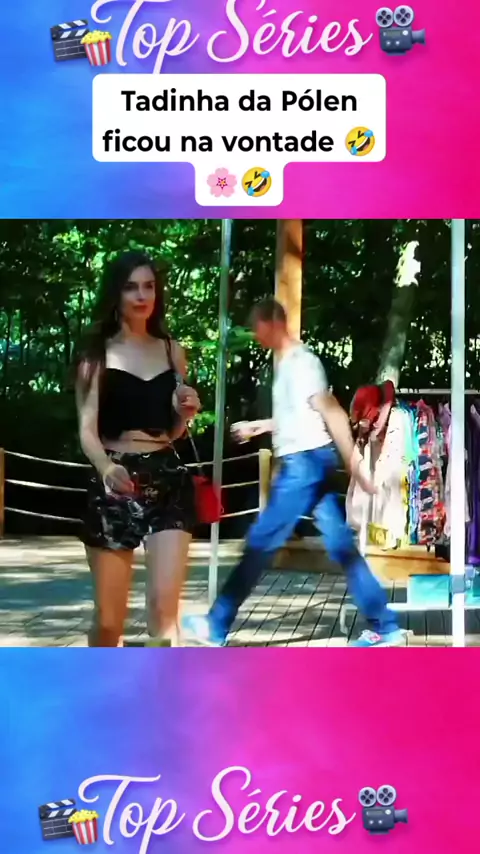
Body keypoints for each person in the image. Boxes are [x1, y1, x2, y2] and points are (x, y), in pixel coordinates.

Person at [183, 298, 404, 648]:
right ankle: (386, 625)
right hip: (308, 463)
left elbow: (332, 412)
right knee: (341, 546)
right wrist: (259, 426)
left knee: (260, 543)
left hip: (305, 465)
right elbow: (299, 416)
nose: (254, 334)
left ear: (273, 323)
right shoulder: (286, 365)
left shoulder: (302, 364)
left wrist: (355, 466)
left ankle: (216, 623)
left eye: (256, 326)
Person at [76, 250, 200, 647]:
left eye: (149, 286)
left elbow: (176, 432)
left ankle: (161, 685)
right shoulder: (97, 354)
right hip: (115, 480)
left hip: (168, 477)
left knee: (165, 612)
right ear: (116, 293)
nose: (142, 296)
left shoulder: (171, 350)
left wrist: (185, 413)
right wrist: (105, 468)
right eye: (131, 287)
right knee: (109, 622)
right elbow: (87, 430)